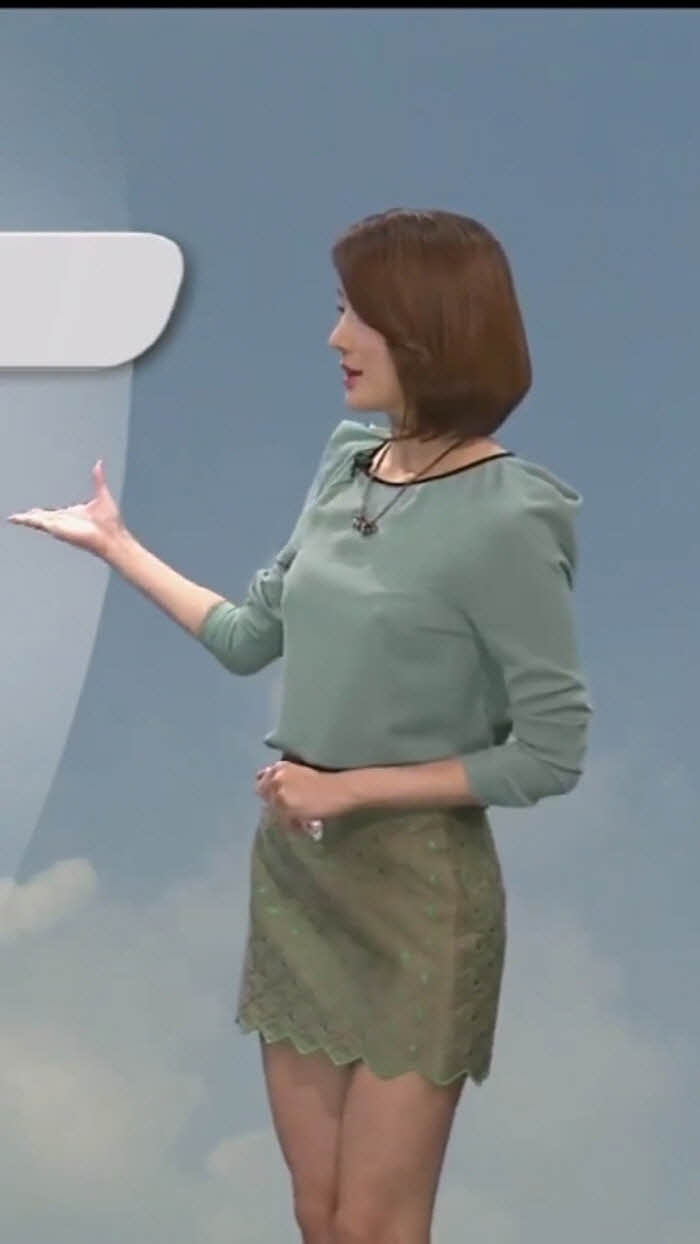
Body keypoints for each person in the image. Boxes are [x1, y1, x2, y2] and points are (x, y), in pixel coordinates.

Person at [7, 208, 594, 1244]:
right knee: (320, 1216)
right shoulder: (348, 460)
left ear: (429, 329)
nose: (335, 338)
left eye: (358, 316)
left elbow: (549, 753)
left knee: (374, 1224)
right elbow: (248, 637)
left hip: (418, 893)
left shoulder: (510, 515)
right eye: (338, 311)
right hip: (297, 878)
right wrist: (115, 545)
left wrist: (349, 787)